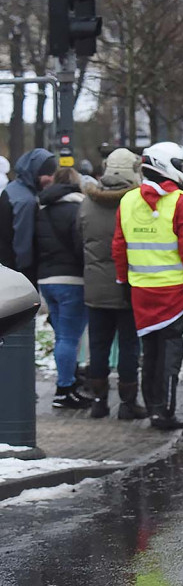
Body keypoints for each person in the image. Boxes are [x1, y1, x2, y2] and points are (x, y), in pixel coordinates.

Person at [112, 141, 183, 431]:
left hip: (141, 291)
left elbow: (119, 246)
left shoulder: (128, 200)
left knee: (150, 351)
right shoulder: (182, 201)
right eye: (181, 167)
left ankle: (154, 405)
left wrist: (122, 281)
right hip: (174, 292)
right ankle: (164, 413)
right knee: (170, 352)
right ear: (166, 166)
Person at [80, 148, 148, 420]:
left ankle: (98, 402)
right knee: (129, 347)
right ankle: (128, 404)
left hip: (95, 287)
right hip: (128, 286)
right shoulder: (136, 203)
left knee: (98, 346)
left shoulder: (86, 204)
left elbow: (79, 242)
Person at [35, 167, 90, 409]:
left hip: (46, 281)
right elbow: (81, 247)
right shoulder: (78, 209)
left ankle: (67, 382)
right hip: (72, 281)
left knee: (61, 337)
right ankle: (64, 389)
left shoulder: (41, 210)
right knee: (69, 337)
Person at [0, 148, 57, 281]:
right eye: (49, 174)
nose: (52, 178)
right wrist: (24, 274)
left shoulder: (12, 189)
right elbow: (22, 242)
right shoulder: (26, 201)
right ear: (37, 173)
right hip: (17, 270)